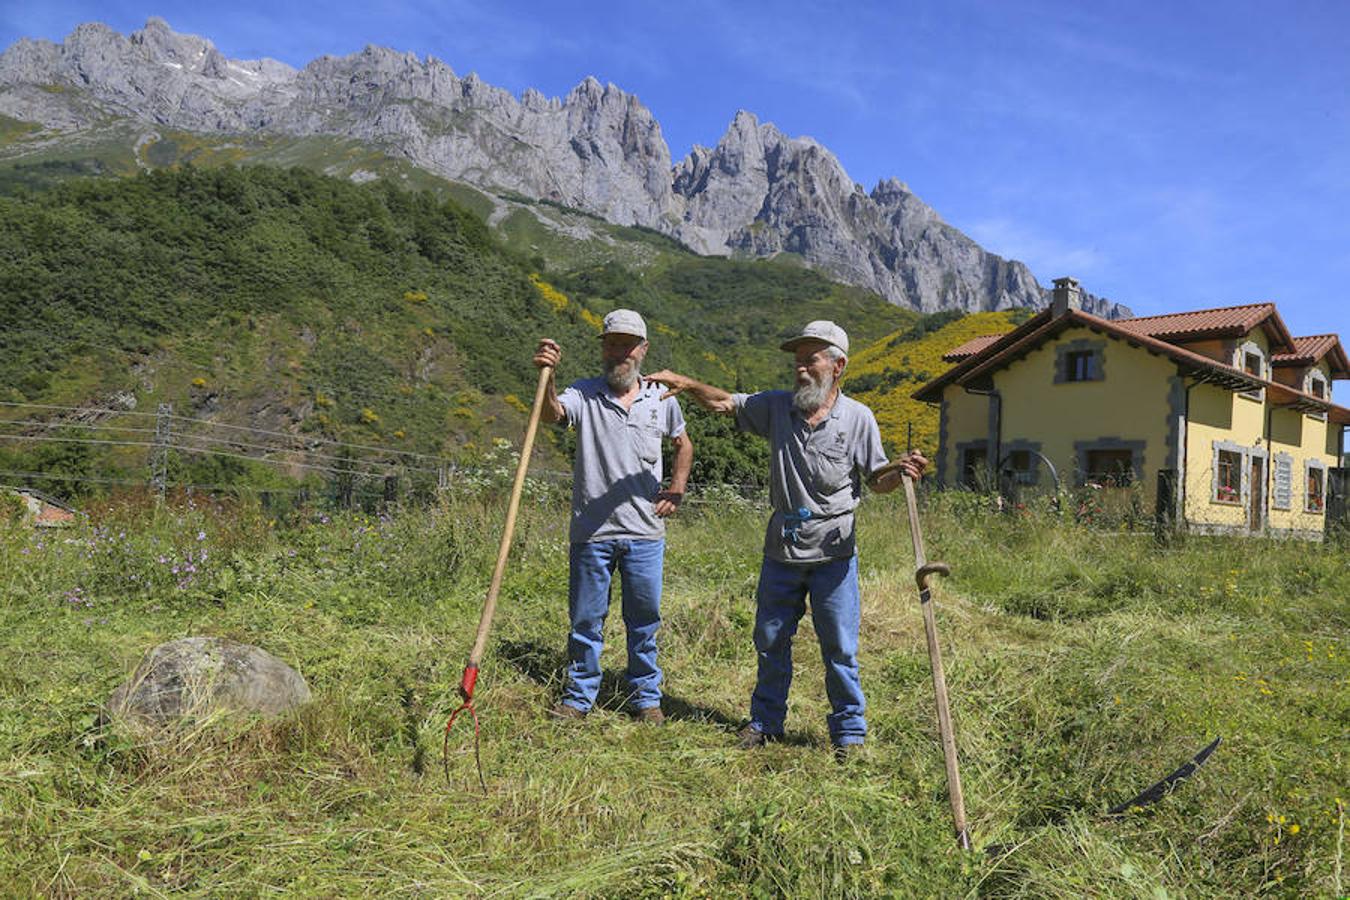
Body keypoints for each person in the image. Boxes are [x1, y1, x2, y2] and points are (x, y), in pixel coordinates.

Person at [646, 320, 926, 760]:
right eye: (797, 361)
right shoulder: (777, 408)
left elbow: (876, 481)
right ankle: (765, 722)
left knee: (839, 646)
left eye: (810, 360)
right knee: (771, 638)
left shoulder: (858, 418)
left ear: (838, 366)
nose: (800, 369)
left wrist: (900, 470)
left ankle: (849, 733)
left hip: (834, 552)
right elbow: (723, 403)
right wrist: (687, 383)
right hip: (782, 548)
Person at [534, 309, 693, 724]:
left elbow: (683, 444)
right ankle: (579, 697)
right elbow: (552, 414)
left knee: (644, 622)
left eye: (628, 344)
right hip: (592, 531)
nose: (619, 352)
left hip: (645, 533)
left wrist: (676, 490)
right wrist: (548, 377)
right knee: (586, 621)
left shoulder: (660, 396)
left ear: (643, 349)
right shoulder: (583, 393)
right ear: (603, 347)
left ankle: (646, 698)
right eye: (612, 343)